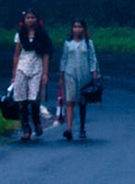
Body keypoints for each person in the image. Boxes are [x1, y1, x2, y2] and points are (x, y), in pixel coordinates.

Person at [10, 10, 53, 141]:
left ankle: (37, 123)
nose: (30, 20)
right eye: (27, 18)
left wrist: (45, 73)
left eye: (32, 17)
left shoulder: (42, 35)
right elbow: (17, 54)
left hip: (37, 68)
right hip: (22, 68)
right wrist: (14, 74)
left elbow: (46, 54)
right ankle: (26, 129)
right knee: (21, 101)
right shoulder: (20, 34)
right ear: (24, 20)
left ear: (36, 19)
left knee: (34, 99)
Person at [58, 19, 99, 140]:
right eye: (75, 27)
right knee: (70, 101)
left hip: (84, 74)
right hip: (70, 74)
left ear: (84, 29)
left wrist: (94, 73)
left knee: (82, 102)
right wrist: (61, 76)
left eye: (80, 27)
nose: (77, 29)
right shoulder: (68, 43)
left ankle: (82, 127)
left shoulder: (88, 43)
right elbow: (64, 59)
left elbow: (92, 59)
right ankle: (69, 129)